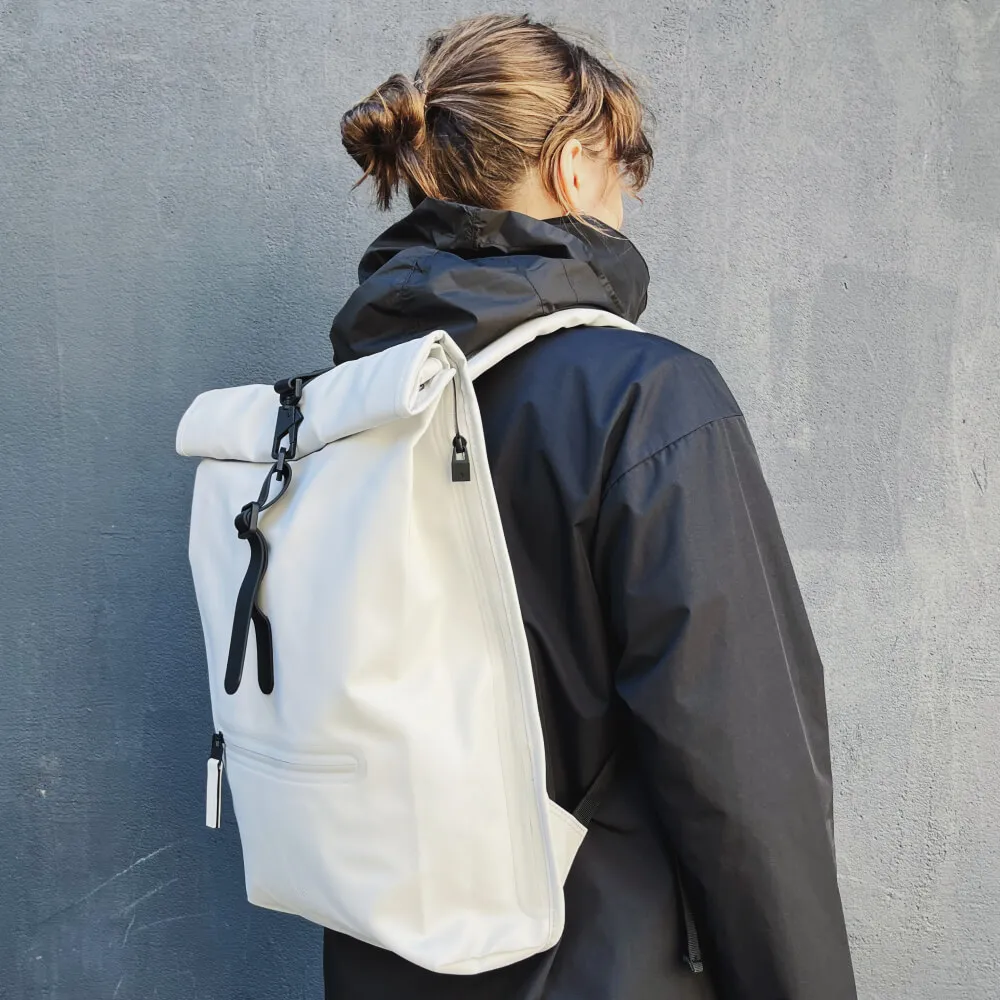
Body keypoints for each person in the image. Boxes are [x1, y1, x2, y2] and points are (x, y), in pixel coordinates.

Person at [324, 13, 857, 1000]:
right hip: (605, 967)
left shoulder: (353, 402)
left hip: (392, 956)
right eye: (623, 170)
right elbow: (743, 777)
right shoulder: (646, 397)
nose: (626, 199)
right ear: (573, 167)